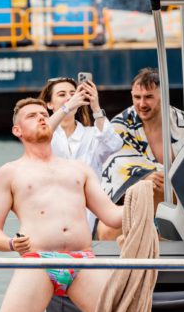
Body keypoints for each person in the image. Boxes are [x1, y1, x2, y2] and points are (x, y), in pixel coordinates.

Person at [0, 97, 124, 312]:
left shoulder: (78, 169)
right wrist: (11, 243)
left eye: (43, 114)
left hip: (82, 262)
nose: (41, 118)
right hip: (37, 262)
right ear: (17, 131)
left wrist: (144, 201)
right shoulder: (10, 172)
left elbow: (113, 216)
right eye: (32, 116)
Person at [97, 68, 184, 240]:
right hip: (135, 199)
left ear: (163, 97)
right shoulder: (120, 125)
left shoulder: (183, 123)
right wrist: (143, 176)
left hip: (179, 200)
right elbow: (115, 163)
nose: (142, 104)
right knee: (106, 232)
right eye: (137, 97)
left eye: (148, 97)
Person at [38, 77, 122, 229]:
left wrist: (96, 108)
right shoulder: (46, 135)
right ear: (49, 104)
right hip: (48, 217)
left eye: (73, 93)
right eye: (62, 94)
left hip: (85, 221)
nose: (69, 98)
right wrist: (66, 107)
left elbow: (114, 144)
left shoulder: (92, 135)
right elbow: (37, 136)